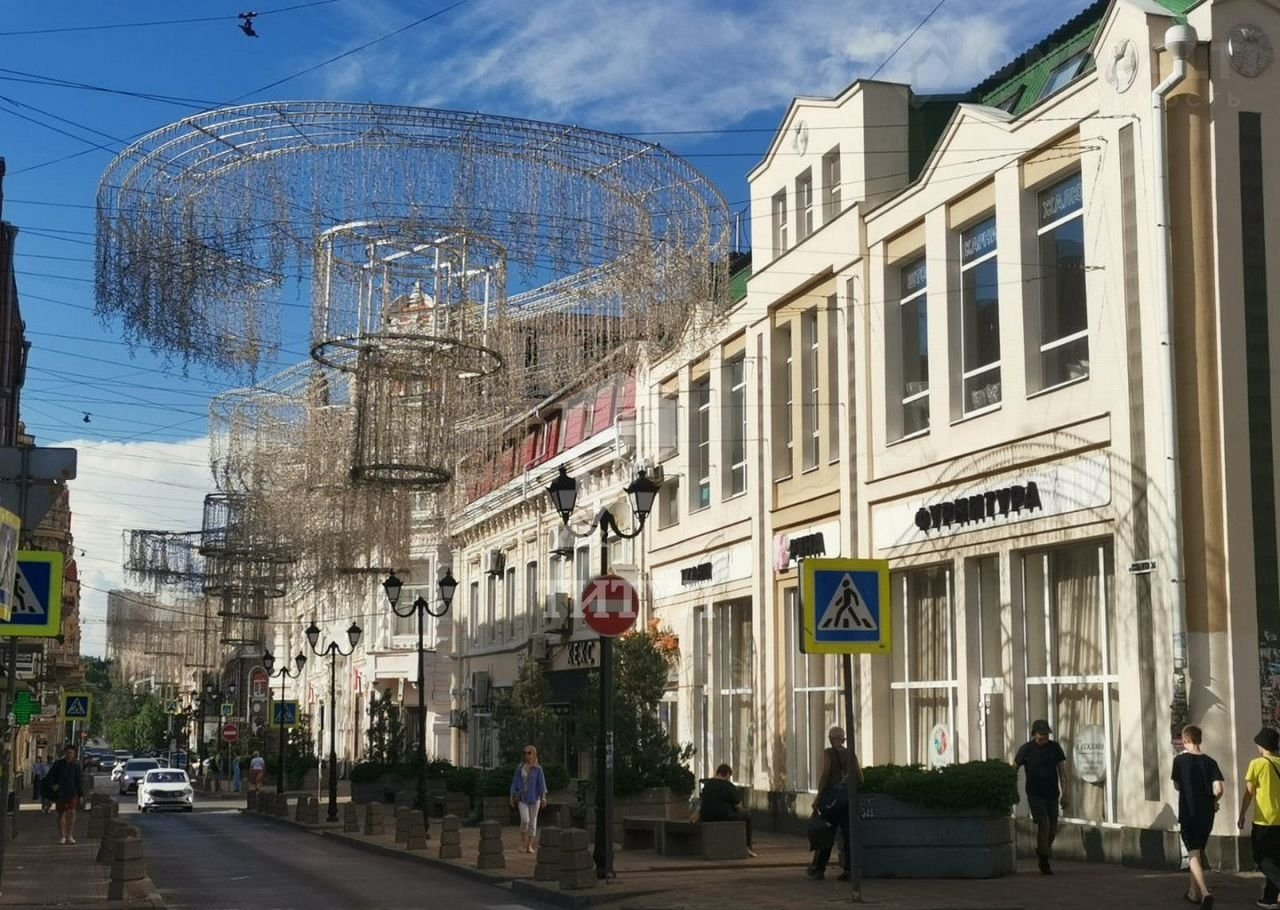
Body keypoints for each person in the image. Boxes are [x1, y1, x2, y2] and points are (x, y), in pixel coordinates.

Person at [1173, 724, 1224, 909]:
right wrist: (1213, 801)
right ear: (1200, 740)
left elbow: (1177, 785)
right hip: (1207, 814)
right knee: (1198, 850)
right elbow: (1219, 789)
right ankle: (1193, 892)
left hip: (1189, 811)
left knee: (1193, 853)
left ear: (1186, 740)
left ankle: (1204, 892)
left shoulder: (1179, 761)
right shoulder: (1211, 762)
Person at [1013, 719, 1070, 875]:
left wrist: (1066, 793)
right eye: (1041, 734)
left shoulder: (1055, 748)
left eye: (1046, 734)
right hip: (1035, 793)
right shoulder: (1026, 749)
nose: (1044, 737)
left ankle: (1042, 850)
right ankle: (1044, 860)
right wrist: (1014, 790)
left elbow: (1063, 773)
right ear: (1034, 734)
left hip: (1052, 794)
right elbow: (1013, 769)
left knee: (1053, 828)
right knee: (1043, 824)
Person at [1238, 726, 1280, 909]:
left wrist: (1242, 814)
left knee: (1261, 857)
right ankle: (1269, 898)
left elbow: (1249, 793)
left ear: (1262, 745)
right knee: (1276, 858)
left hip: (1265, 819)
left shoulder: (1258, 764)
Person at [699, 764, 757, 857]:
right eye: (729, 776)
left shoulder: (707, 784)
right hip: (725, 816)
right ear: (727, 774)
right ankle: (746, 847)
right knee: (747, 817)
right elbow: (737, 805)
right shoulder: (728, 786)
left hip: (706, 816)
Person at [42, 745, 84, 845]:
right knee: (61, 813)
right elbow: (50, 777)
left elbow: (79, 781)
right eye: (68, 752)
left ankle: (70, 835)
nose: (69, 755)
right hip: (60, 793)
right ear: (65, 753)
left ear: (74, 754)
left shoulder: (76, 766)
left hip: (72, 792)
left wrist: (80, 795)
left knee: (72, 812)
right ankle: (62, 836)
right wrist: (53, 786)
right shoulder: (58, 765)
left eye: (71, 753)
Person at [509, 745, 548, 854]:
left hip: (535, 798)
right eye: (525, 753)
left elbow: (542, 784)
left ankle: (529, 845)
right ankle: (523, 841)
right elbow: (514, 783)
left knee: (533, 822)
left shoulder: (538, 769)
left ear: (534, 754)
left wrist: (543, 797)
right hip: (522, 798)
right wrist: (512, 796)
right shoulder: (520, 768)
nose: (527, 755)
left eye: (529, 752)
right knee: (525, 820)